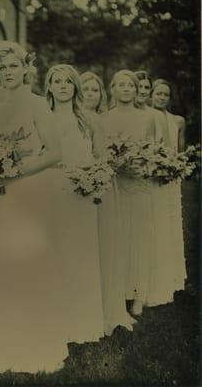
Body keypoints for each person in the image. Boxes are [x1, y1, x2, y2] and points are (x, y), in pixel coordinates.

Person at [0, 57, 104, 373]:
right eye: (2, 68)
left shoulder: (37, 105)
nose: (8, 72)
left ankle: (34, 333)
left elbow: (55, 153)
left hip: (28, 190)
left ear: (26, 72)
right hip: (4, 193)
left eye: (13, 67)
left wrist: (12, 173)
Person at [80, 71, 137, 336]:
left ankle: (105, 309)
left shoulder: (100, 120)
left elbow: (101, 155)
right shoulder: (70, 117)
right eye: (86, 89)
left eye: (94, 90)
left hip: (98, 183)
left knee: (102, 245)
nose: (90, 94)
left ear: (101, 94)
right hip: (76, 183)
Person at [102, 70, 156, 316]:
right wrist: (117, 165)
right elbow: (102, 154)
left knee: (140, 237)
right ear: (112, 89)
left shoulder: (146, 119)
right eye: (120, 85)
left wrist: (142, 166)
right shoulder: (105, 119)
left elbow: (154, 153)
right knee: (119, 237)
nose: (125, 89)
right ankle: (121, 290)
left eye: (130, 85)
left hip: (140, 182)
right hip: (115, 184)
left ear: (136, 91)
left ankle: (139, 294)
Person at [150, 78, 187, 299]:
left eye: (165, 94)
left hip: (171, 173)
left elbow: (179, 148)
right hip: (154, 171)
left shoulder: (178, 120)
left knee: (172, 221)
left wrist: (177, 164)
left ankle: (173, 273)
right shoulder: (147, 116)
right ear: (151, 95)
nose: (161, 97)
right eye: (158, 93)